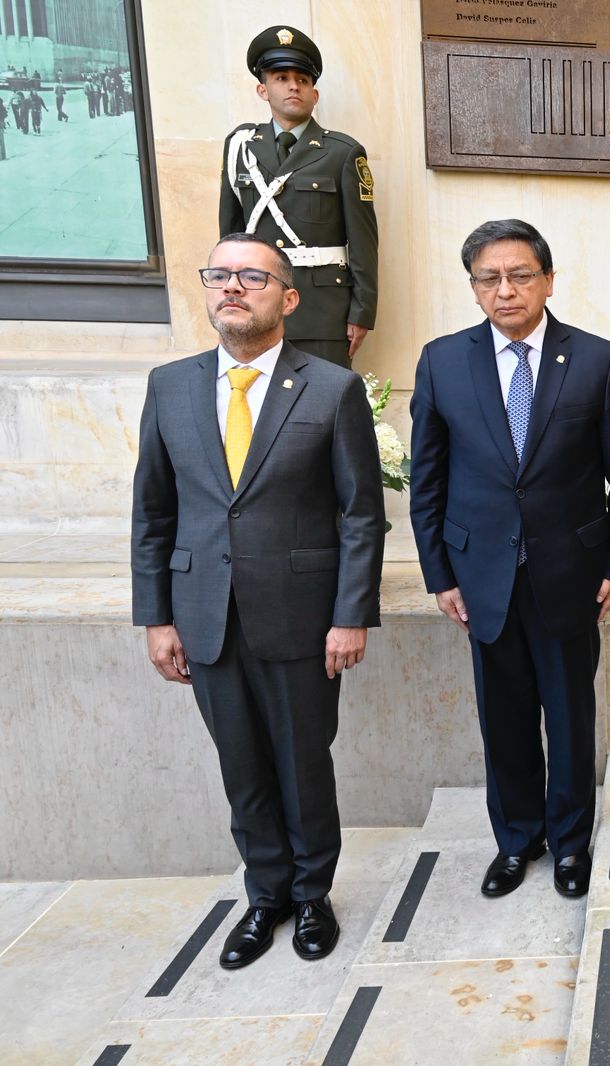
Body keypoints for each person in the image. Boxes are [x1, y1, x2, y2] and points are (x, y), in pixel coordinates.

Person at [132, 234, 385, 969]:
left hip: (302, 618)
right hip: (203, 615)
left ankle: (311, 897)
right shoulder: (170, 386)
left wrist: (349, 614)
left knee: (303, 764)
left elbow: (361, 514)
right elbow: (152, 512)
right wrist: (157, 617)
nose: (233, 288)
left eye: (252, 276)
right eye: (220, 275)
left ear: (288, 296)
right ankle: (265, 895)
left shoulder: (330, 388)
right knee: (241, 765)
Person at [410, 219, 610, 900]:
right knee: (504, 717)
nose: (505, 290)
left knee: (569, 715)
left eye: (519, 275)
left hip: (569, 573)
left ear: (547, 280)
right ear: (475, 287)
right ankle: (517, 839)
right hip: (480, 575)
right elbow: (427, 480)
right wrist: (439, 575)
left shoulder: (596, 361)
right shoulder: (442, 361)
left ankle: (570, 845)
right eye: (489, 277)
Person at [220, 26, 378, 368]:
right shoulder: (240, 146)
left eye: (303, 80)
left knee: (323, 407)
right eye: (282, 77)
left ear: (314, 94)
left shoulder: (343, 153)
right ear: (263, 89)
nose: (294, 86)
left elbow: (364, 241)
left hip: (322, 309)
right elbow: (230, 234)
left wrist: (362, 312)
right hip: (255, 300)